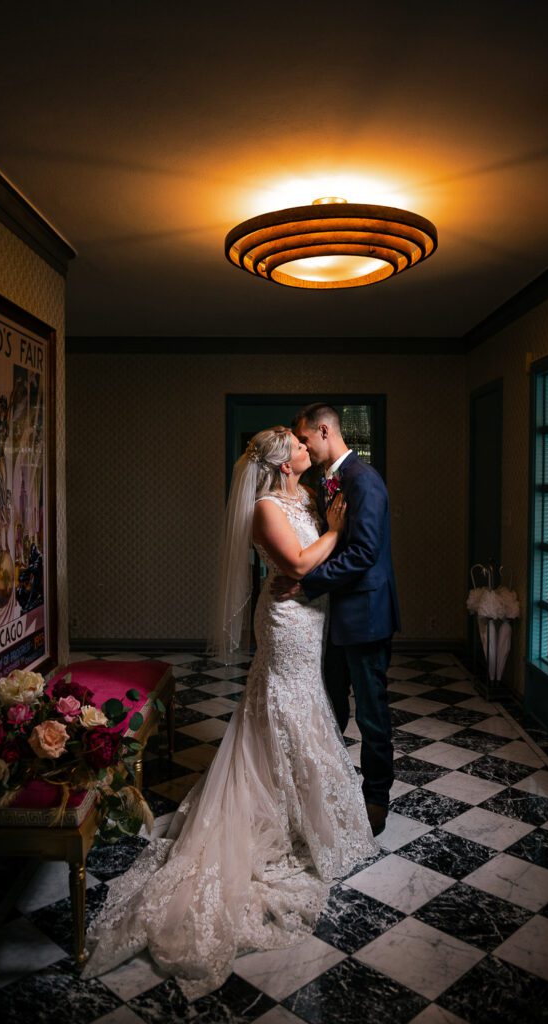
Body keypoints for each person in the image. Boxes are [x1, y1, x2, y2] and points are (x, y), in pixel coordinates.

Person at [82, 426, 377, 998]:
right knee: (285, 702)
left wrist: (330, 532)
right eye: (298, 445)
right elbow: (297, 565)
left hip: (310, 619)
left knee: (303, 701)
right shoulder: (266, 508)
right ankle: (280, 805)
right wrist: (335, 533)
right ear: (283, 463)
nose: (306, 447)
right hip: (286, 621)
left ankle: (302, 804)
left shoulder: (304, 496)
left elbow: (313, 563)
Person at [280, 403, 400, 837]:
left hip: (365, 616)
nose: (303, 448)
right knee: (330, 706)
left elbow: (364, 552)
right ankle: (330, 787)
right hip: (334, 617)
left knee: (371, 713)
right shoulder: (327, 481)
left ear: (325, 432)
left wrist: (308, 583)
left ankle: (376, 798)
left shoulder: (364, 481)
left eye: (305, 439)